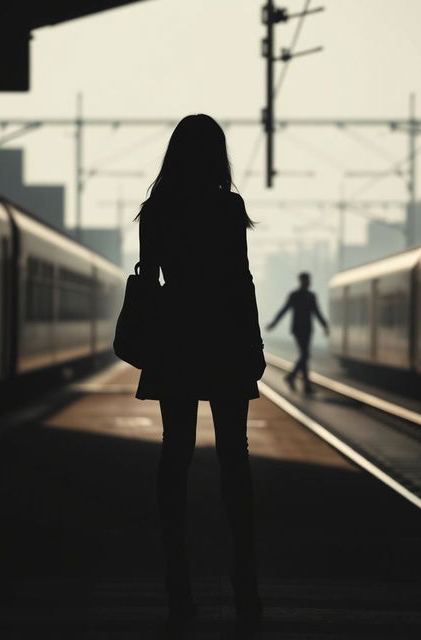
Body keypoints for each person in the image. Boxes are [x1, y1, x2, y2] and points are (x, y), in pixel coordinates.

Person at [134, 114, 266, 626]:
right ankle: (245, 586)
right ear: (218, 155)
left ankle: (177, 585)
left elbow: (149, 281)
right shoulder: (228, 207)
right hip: (225, 341)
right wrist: (252, 343)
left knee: (176, 455)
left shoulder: (157, 209)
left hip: (176, 342)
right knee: (235, 458)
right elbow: (241, 280)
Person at [266, 272, 329, 394]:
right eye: (307, 280)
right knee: (305, 355)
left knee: (304, 355)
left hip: (304, 329)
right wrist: (273, 324)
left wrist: (325, 325)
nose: (308, 282)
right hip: (301, 329)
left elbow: (316, 312)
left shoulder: (301, 295)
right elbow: (285, 310)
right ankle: (298, 380)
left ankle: (301, 382)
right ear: (303, 281)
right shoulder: (304, 296)